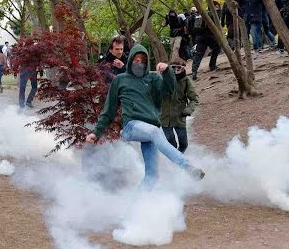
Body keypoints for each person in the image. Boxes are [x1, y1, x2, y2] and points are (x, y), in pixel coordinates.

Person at [85, 44, 205, 190]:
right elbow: (109, 109)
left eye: (142, 60)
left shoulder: (154, 78)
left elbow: (170, 90)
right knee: (155, 132)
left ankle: (136, 204)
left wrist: (167, 71)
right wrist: (96, 132)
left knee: (152, 175)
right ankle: (187, 167)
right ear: (130, 61)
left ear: (147, 62)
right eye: (136, 60)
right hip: (131, 127)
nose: (139, 63)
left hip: (151, 131)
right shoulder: (120, 80)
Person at [161, 59, 199, 153]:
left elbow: (194, 99)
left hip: (179, 117)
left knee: (184, 144)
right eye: (173, 67)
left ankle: (178, 160)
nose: (176, 70)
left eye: (179, 68)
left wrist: (188, 110)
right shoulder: (162, 79)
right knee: (171, 143)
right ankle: (175, 163)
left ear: (183, 68)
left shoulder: (186, 81)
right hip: (165, 118)